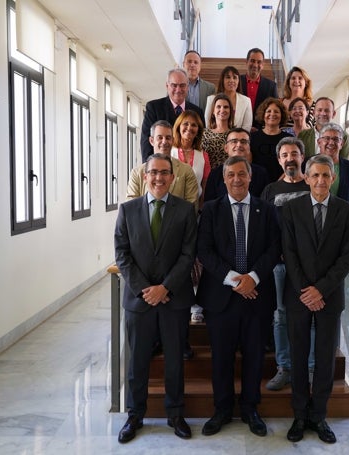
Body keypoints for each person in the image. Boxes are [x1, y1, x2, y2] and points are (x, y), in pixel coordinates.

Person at [114, 153, 197, 443]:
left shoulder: (186, 211)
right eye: (154, 173)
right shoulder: (128, 210)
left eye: (165, 173)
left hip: (173, 300)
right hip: (139, 301)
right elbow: (122, 255)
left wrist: (165, 288)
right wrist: (145, 289)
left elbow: (188, 255)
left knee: (174, 360)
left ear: (172, 177)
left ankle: (175, 414)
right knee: (137, 362)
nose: (159, 178)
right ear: (145, 175)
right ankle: (135, 414)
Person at [197, 155, 281, 438]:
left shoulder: (266, 210)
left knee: (255, 355)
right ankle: (221, 409)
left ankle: (250, 408)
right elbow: (204, 250)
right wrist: (236, 280)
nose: (236, 179)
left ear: (250, 177)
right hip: (221, 297)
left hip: (257, 296)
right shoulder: (210, 210)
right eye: (230, 174)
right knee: (221, 356)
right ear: (223, 179)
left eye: (241, 174)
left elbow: (274, 248)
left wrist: (252, 278)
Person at [281, 154, 349, 445]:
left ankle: (319, 416)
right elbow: (289, 252)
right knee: (299, 358)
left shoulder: (346, 211)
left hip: (329, 297)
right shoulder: (291, 209)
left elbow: (345, 258)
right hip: (299, 294)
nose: (321, 181)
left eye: (326, 176)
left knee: (325, 359)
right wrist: (306, 290)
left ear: (333, 178)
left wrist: (320, 290)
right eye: (315, 175)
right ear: (307, 177)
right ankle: (300, 415)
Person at [260, 137, 314, 391]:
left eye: (294, 153)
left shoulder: (313, 186)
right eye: (284, 154)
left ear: (302, 157)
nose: (290, 158)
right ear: (279, 160)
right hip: (279, 266)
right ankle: (285, 367)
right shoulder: (270, 190)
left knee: (309, 315)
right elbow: (264, 228)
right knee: (280, 315)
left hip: (308, 265)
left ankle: (311, 368)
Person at [127, 120, 199, 211]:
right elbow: (131, 208)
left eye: (168, 138)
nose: (164, 142)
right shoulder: (137, 173)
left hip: (177, 224)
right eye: (160, 138)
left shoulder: (186, 171)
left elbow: (191, 207)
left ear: (172, 140)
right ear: (151, 140)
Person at [140, 69, 204, 161]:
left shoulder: (197, 111)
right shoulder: (154, 107)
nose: (178, 90)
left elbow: (201, 141)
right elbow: (146, 141)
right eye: (174, 85)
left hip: (190, 165)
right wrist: (148, 167)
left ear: (188, 86)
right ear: (167, 86)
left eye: (182, 85)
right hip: (161, 165)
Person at [316, 122, 349, 235]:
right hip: (313, 225)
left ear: (341, 143)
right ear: (319, 142)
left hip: (342, 226)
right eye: (326, 138)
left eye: (336, 139)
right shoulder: (307, 165)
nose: (331, 142)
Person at [204, 128, 269, 202]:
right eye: (234, 141)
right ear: (226, 148)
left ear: (249, 147)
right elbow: (209, 205)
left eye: (243, 142)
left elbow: (265, 205)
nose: (239, 145)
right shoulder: (215, 174)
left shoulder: (261, 173)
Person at [170, 110, 210, 208]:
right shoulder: (169, 152)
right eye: (185, 124)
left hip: (194, 208)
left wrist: (201, 207)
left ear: (198, 131)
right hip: (169, 207)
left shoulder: (203, 156)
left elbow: (204, 185)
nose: (189, 128)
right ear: (178, 127)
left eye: (193, 125)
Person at [250, 97, 292, 182]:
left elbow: (291, 164)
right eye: (268, 111)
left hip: (282, 184)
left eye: (276, 112)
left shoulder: (289, 139)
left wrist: (277, 184)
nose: (272, 114)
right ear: (263, 114)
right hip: (256, 183)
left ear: (282, 115)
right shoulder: (252, 137)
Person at [204, 66, 253, 131]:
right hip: (215, 139)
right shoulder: (211, 99)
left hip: (238, 139)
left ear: (238, 81)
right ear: (222, 80)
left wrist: (234, 139)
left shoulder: (246, 101)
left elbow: (247, 127)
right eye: (228, 77)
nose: (231, 80)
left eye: (235, 77)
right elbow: (208, 125)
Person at [240, 48, 278, 130]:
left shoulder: (271, 86)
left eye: (259, 62)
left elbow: (275, 109)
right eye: (252, 61)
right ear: (246, 62)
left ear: (263, 65)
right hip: (239, 130)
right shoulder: (237, 82)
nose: (255, 65)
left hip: (262, 131)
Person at [202, 93, 234, 169]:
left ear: (230, 111)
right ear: (213, 111)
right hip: (208, 176)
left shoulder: (235, 134)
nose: (222, 110)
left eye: (226, 107)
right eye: (218, 107)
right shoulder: (204, 133)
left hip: (230, 174)